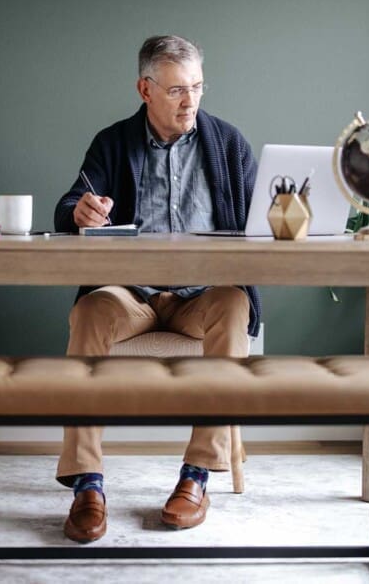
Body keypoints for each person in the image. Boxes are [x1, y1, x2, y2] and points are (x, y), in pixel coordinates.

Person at [53, 34, 261, 543]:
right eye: (175, 91)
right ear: (144, 89)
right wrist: (79, 211)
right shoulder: (112, 141)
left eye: (197, 87)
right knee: (89, 311)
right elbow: (71, 202)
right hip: (132, 294)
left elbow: (262, 222)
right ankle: (87, 483)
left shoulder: (229, 143)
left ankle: (197, 476)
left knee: (235, 305)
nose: (189, 101)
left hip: (203, 295)